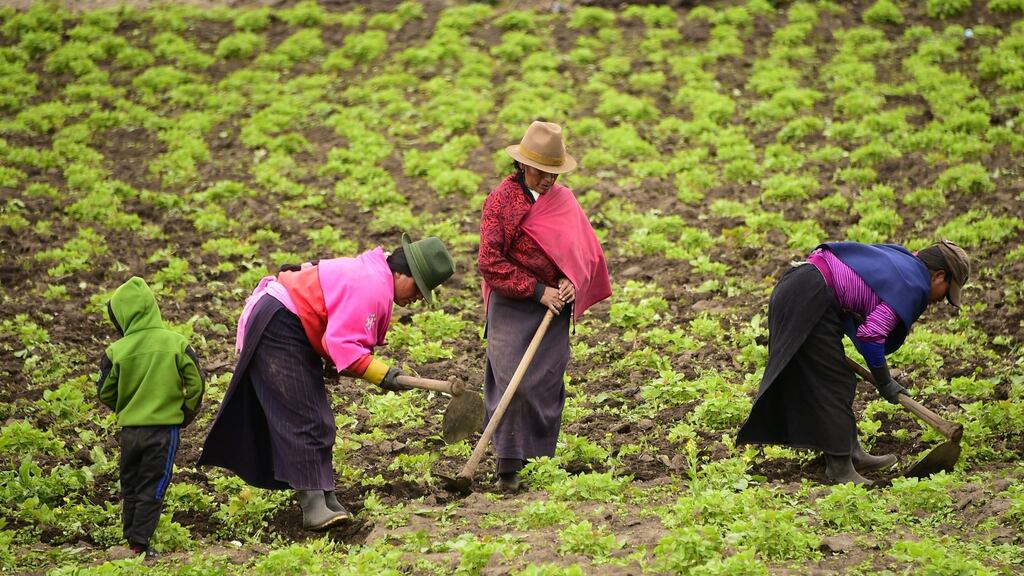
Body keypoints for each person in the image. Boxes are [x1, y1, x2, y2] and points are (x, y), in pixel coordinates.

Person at [199, 233, 455, 530]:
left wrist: (379, 372)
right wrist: (383, 375)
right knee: (305, 417)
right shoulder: (371, 284)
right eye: (417, 287)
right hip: (280, 323)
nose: (416, 299)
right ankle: (313, 505)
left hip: (294, 326)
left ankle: (325, 496)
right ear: (400, 272)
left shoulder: (374, 276)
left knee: (319, 419)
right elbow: (342, 345)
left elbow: (336, 334)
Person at [737, 240, 970, 485]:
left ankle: (852, 454)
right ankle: (839, 467)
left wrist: (883, 378)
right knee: (834, 382)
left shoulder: (904, 264)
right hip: (809, 293)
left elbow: (861, 320)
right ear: (938, 275)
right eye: (947, 292)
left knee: (836, 378)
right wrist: (884, 380)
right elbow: (871, 336)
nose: (941, 301)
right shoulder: (912, 284)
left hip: (805, 287)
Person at [478, 121, 611, 492]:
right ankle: (508, 467)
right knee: (511, 383)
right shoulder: (502, 201)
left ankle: (537, 461)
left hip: (554, 308)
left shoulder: (564, 201)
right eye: (541, 172)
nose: (548, 179)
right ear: (523, 165)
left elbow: (585, 253)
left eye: (554, 172)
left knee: (543, 382)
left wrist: (572, 280)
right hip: (513, 302)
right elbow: (490, 262)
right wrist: (537, 290)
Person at [96, 276, 206, 558]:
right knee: (153, 484)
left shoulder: (116, 351)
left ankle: (130, 535)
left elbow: (104, 391)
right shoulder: (176, 343)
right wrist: (184, 412)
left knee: (130, 482)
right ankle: (139, 544)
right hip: (163, 431)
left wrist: (128, 407)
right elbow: (196, 383)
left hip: (130, 430)